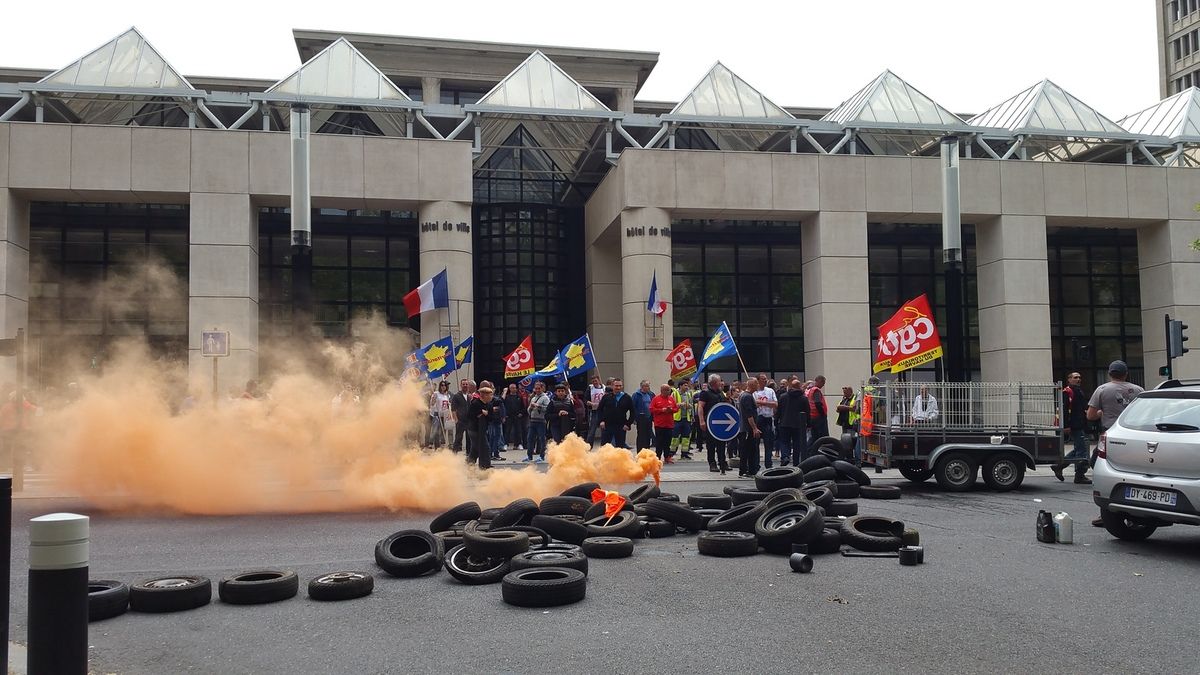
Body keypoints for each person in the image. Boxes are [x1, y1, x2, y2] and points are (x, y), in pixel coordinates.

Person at [1088, 361, 1144, 526]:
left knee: (1102, 468)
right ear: (1126, 373)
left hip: (1111, 436)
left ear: (1110, 374)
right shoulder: (1139, 390)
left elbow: (1091, 416)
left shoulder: (1103, 390)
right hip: (1135, 436)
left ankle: (1108, 511)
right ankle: (1136, 510)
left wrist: (1101, 412)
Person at [1053, 372, 1090, 484]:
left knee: (1080, 448)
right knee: (1082, 451)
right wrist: (1066, 426)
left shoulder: (1078, 391)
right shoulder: (1067, 392)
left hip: (1080, 424)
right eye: (1075, 377)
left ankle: (1059, 466)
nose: (1078, 379)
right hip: (1074, 425)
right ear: (1069, 379)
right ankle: (1080, 475)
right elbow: (1063, 410)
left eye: (1079, 377)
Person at [696, 374, 730, 475]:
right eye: (720, 381)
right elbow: (700, 407)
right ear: (715, 382)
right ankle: (712, 463)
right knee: (711, 444)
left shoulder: (720, 393)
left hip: (721, 423)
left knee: (722, 443)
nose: (721, 383)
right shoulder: (705, 393)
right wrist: (701, 421)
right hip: (710, 423)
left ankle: (722, 462)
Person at [466, 386, 500, 470]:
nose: (491, 397)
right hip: (474, 430)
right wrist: (479, 413)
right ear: (484, 395)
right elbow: (469, 415)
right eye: (490, 395)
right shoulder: (475, 403)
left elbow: (492, 418)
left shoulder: (489, 405)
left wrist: (487, 414)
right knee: (485, 447)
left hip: (483, 430)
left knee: (475, 449)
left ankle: (469, 465)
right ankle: (485, 467)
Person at [777, 378, 808, 466]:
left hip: (784, 423)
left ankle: (785, 456)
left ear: (791, 386)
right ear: (799, 386)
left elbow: (779, 410)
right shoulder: (803, 398)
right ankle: (796, 462)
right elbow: (807, 411)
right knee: (797, 443)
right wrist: (808, 423)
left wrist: (776, 420)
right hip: (798, 424)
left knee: (784, 441)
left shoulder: (783, 397)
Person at [597, 378, 634, 449]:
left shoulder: (627, 397)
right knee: (605, 447)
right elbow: (599, 410)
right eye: (616, 386)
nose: (618, 388)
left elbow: (633, 412)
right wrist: (601, 421)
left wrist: (628, 424)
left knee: (620, 449)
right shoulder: (606, 397)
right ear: (612, 386)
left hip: (621, 426)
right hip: (607, 426)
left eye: (620, 386)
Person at [738, 379, 763, 477]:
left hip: (746, 428)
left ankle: (747, 470)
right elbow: (749, 414)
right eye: (757, 383)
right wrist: (754, 428)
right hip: (747, 429)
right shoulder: (747, 397)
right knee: (748, 450)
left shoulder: (746, 396)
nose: (758, 385)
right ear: (752, 385)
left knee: (749, 449)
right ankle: (746, 470)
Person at [753, 373, 778, 469]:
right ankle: (756, 464)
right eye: (763, 379)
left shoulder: (770, 391)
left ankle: (768, 463)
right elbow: (754, 404)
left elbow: (775, 404)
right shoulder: (754, 392)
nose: (765, 380)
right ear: (758, 380)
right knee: (756, 443)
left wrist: (761, 402)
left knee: (769, 443)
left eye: (766, 379)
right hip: (758, 419)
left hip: (767, 418)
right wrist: (767, 404)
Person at [650, 384, 679, 461]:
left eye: (669, 390)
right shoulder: (656, 399)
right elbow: (651, 409)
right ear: (662, 390)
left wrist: (671, 410)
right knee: (659, 442)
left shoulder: (671, 399)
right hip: (659, 424)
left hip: (669, 424)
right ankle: (658, 457)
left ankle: (667, 457)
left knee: (668, 442)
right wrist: (662, 410)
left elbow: (676, 409)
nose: (668, 391)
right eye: (666, 390)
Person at [524, 381, 551, 462]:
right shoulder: (533, 398)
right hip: (532, 421)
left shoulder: (545, 398)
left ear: (542, 388)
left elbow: (548, 409)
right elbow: (528, 411)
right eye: (536, 389)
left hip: (541, 421)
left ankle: (542, 456)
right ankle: (529, 456)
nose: (537, 390)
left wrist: (539, 406)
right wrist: (531, 408)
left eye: (539, 388)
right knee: (530, 438)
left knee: (541, 439)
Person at [479, 380, 506, 461]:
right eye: (492, 388)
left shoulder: (495, 398)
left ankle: (493, 453)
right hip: (492, 420)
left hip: (497, 420)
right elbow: (499, 401)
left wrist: (503, 416)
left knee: (496, 438)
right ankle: (493, 454)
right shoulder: (491, 399)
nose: (493, 390)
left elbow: (501, 406)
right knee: (493, 438)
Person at [806, 376, 829, 455]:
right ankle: (821, 453)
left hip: (813, 416)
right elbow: (818, 403)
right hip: (818, 417)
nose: (823, 385)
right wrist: (822, 413)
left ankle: (809, 452)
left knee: (814, 436)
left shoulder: (810, 390)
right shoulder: (816, 390)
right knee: (822, 437)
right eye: (823, 383)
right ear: (819, 381)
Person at [672, 380, 695, 460]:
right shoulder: (674, 394)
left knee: (686, 437)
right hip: (677, 418)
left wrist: (690, 408)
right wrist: (679, 405)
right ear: (680, 386)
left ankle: (684, 453)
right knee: (675, 437)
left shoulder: (688, 394)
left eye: (687, 386)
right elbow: (671, 404)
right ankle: (672, 452)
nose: (687, 387)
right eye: (685, 385)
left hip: (686, 418)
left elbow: (692, 405)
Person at [427, 381, 452, 448]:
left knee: (443, 429)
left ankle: (443, 443)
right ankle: (431, 443)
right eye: (442, 385)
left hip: (444, 414)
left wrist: (449, 405)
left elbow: (447, 405)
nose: (443, 387)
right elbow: (432, 404)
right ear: (440, 386)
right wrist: (433, 400)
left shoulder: (447, 395)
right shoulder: (436, 393)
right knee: (434, 429)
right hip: (437, 413)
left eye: (445, 385)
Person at [631, 380, 655, 452]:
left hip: (649, 417)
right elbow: (633, 407)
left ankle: (647, 450)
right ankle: (640, 451)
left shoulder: (651, 394)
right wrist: (634, 418)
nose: (648, 387)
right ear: (642, 387)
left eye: (648, 386)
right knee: (641, 435)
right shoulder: (636, 395)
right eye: (646, 386)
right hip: (641, 417)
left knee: (648, 434)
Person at [587, 375, 605, 444]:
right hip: (594, 411)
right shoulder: (590, 388)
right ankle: (589, 446)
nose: (595, 382)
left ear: (599, 381)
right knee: (592, 430)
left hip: (603, 411)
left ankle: (603, 445)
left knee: (603, 429)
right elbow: (586, 399)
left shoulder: (603, 388)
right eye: (593, 381)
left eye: (596, 381)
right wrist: (591, 403)